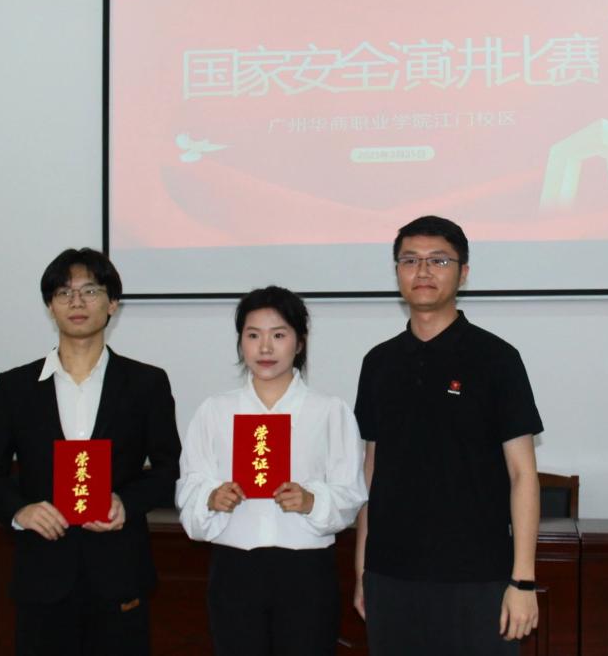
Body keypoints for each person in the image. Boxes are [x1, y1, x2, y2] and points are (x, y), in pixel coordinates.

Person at [0, 248, 180, 656]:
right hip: (42, 575)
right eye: (64, 293)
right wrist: (21, 511)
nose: (77, 302)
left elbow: (169, 467)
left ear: (112, 303)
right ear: (50, 306)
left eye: (90, 290)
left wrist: (126, 503)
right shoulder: (15, 387)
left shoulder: (146, 383)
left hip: (119, 572)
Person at [353, 216, 544, 655]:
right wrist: (363, 570)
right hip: (391, 577)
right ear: (397, 271)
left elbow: (523, 475)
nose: (422, 271)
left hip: (479, 577)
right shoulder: (379, 362)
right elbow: (371, 472)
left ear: (464, 272)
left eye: (438, 260)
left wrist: (523, 580)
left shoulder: (497, 359)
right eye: (410, 260)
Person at [176, 286, 366, 656]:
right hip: (235, 569)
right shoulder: (215, 411)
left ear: (299, 342)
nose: (265, 347)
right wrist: (211, 498)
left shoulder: (329, 411)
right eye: (253, 335)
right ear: (240, 343)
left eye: (278, 335)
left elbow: (350, 492)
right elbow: (190, 485)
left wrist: (311, 500)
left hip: (305, 571)